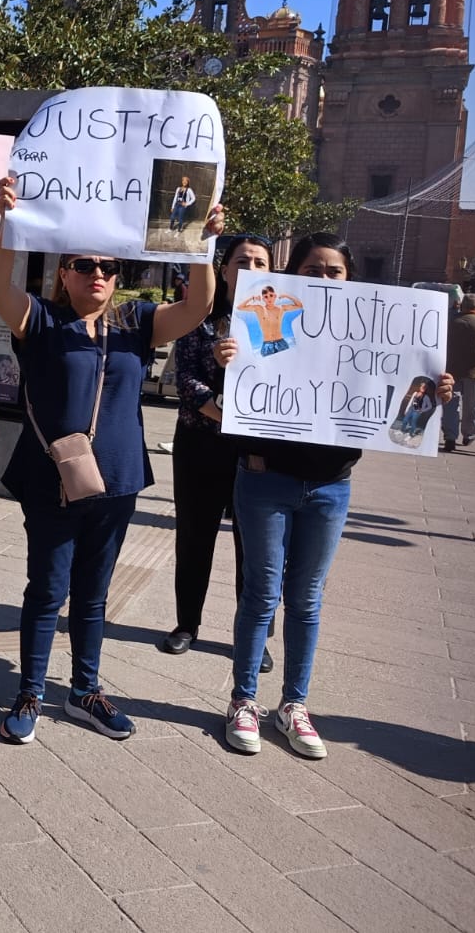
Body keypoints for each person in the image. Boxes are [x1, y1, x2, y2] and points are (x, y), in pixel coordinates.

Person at [0, 176, 222, 745]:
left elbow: (198, 304)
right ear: (64, 272)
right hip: (51, 479)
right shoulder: (40, 321)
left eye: (109, 268)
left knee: (94, 592)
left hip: (116, 480)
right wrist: (9, 224)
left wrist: (202, 245)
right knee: (47, 589)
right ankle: (31, 691)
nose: (98, 274)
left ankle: (85, 690)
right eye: (84, 265)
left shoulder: (136, 323)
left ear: (119, 278)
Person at [223, 232, 453, 760]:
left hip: (331, 487)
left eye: (334, 272)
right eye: (312, 269)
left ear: (349, 278)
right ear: (292, 273)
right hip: (264, 481)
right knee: (261, 595)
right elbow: (241, 386)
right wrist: (227, 355)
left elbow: (404, 420)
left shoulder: (373, 334)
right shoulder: (263, 317)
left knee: (305, 599)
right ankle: (243, 701)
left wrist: (431, 393)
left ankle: (294, 706)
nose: (323, 279)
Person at [158, 235, 274, 673]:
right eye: (241, 260)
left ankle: (255, 636)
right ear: (224, 270)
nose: (249, 267)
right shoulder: (200, 316)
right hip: (200, 445)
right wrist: (224, 399)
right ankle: (187, 623)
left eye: (259, 261)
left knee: (257, 548)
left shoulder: (281, 318)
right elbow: (184, 380)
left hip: (257, 452)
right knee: (194, 536)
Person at [440, 293, 475, 451]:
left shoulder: (450, 321)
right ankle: (469, 434)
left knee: (450, 404)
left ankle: (450, 436)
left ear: (462, 305)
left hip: (451, 370)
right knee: (471, 405)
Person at [237, 284, 302, 355]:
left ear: (275, 296)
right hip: (267, 345)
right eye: (266, 297)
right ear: (263, 299)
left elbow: (299, 305)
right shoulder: (259, 309)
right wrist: (252, 298)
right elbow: (239, 307)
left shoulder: (281, 308)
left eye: (271, 295)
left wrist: (286, 296)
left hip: (281, 342)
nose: (269, 298)